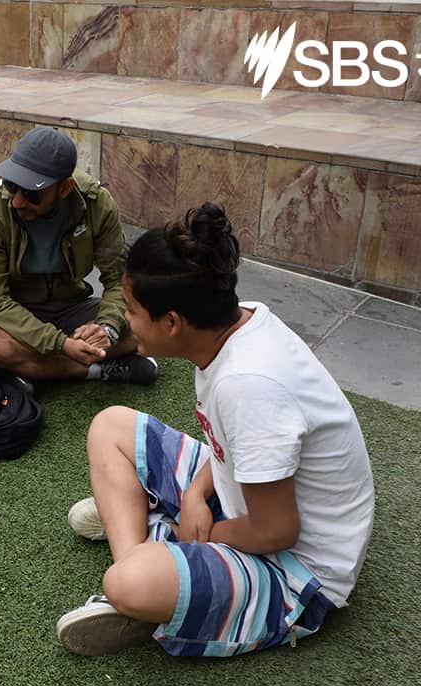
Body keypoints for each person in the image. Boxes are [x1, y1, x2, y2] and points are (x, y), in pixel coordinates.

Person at [55, 202, 374, 658]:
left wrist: (197, 535)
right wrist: (192, 496)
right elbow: (225, 444)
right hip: (247, 497)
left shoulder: (249, 385)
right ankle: (147, 559)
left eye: (131, 309)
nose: (125, 321)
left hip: (295, 571)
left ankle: (143, 576)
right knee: (110, 426)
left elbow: (276, 530)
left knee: (127, 583)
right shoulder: (237, 324)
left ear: (172, 322)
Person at [0, 127, 158, 387]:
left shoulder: (97, 204)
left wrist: (107, 329)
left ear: (65, 188)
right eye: (12, 185)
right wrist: (60, 343)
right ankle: (95, 370)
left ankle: (31, 371)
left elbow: (119, 279)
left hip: (72, 308)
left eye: (32, 193)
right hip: (14, 313)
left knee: (149, 323)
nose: (18, 202)